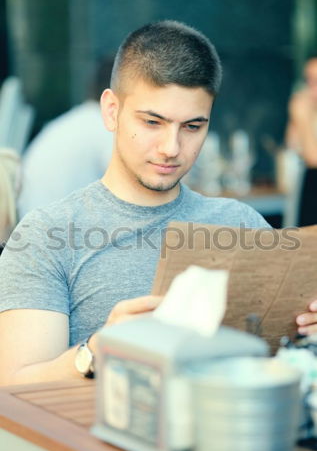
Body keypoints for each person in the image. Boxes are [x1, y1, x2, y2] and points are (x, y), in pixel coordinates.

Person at [0, 21, 316, 387]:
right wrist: (98, 350)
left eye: (193, 127)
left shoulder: (240, 223)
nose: (172, 147)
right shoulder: (46, 235)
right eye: (153, 122)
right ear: (111, 111)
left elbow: (281, 370)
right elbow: (13, 387)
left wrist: (306, 335)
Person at [17, 57, 114, 218]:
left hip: (35, 223)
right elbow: (135, 189)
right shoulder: (103, 125)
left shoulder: (74, 121)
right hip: (57, 232)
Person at [286, 53, 317, 226]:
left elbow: (313, 160)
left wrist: (302, 117)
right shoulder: (307, 109)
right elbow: (291, 146)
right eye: (309, 81)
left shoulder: (304, 113)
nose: (312, 88)